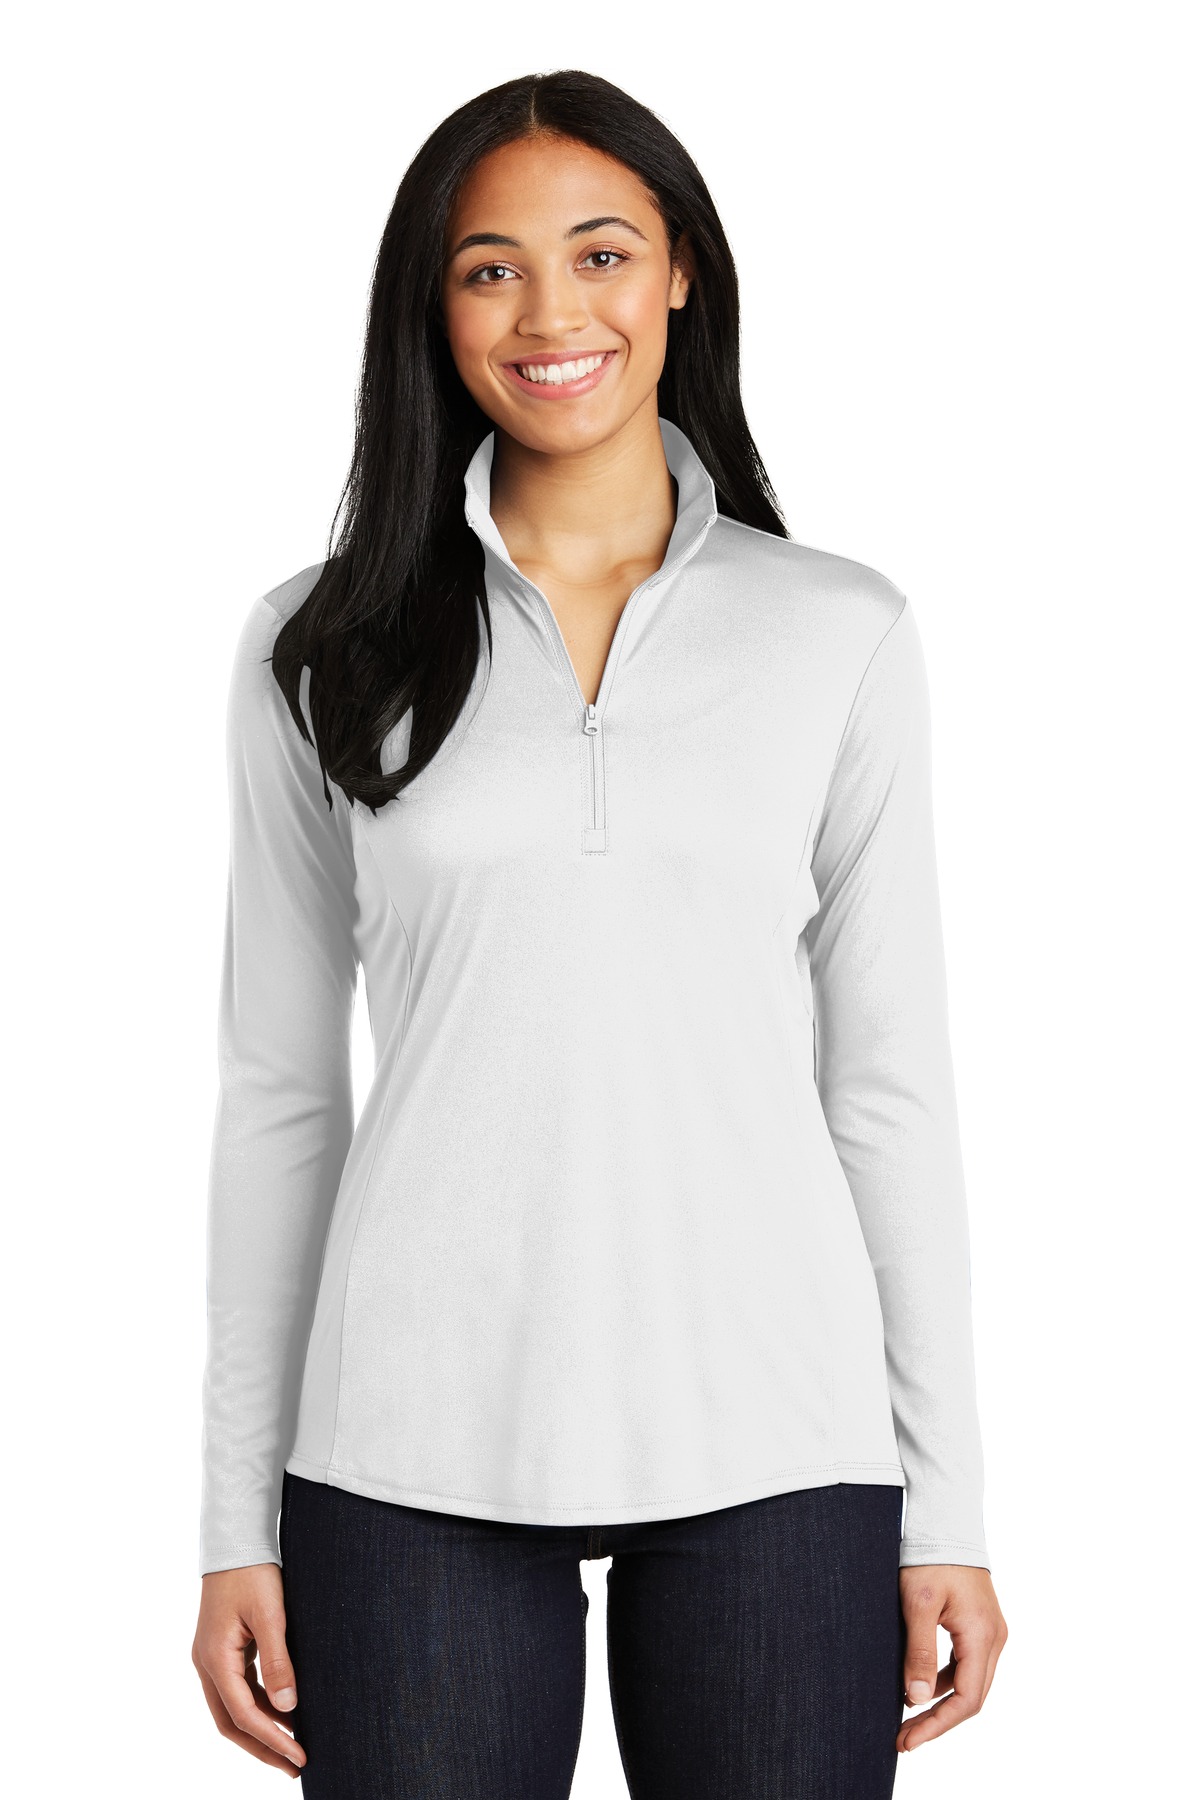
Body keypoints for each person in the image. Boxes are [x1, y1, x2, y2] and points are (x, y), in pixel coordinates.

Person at [191, 67, 1008, 1799]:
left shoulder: (837, 635)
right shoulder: (317, 646)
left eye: (601, 254)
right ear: (431, 307)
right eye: (489, 268)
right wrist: (232, 1521)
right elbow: (279, 1096)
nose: (551, 314)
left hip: (780, 1440)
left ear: (682, 271)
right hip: (405, 1451)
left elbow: (890, 1092)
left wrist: (948, 1504)